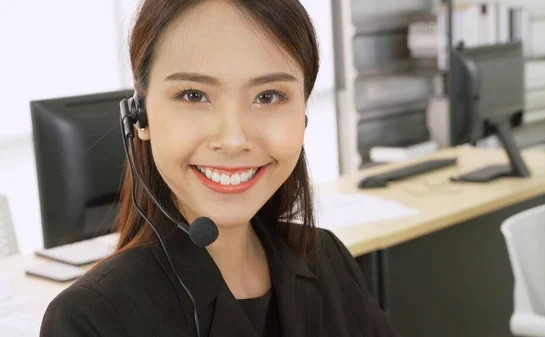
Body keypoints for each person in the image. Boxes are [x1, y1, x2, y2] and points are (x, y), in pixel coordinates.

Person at [39, 0, 399, 336]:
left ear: (302, 116)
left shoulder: (326, 259)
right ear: (140, 117)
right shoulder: (92, 318)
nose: (232, 139)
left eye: (268, 96)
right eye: (194, 95)